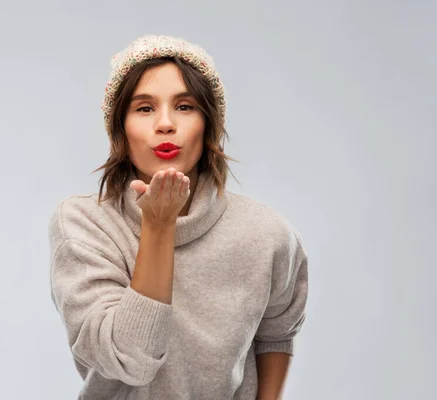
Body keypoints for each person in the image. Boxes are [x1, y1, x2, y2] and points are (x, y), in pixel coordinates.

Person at [48, 34, 309, 400]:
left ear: (209, 124)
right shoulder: (83, 225)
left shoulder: (267, 233)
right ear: (121, 129)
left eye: (185, 106)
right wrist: (157, 227)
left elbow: (277, 332)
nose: (165, 124)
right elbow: (131, 361)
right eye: (144, 108)